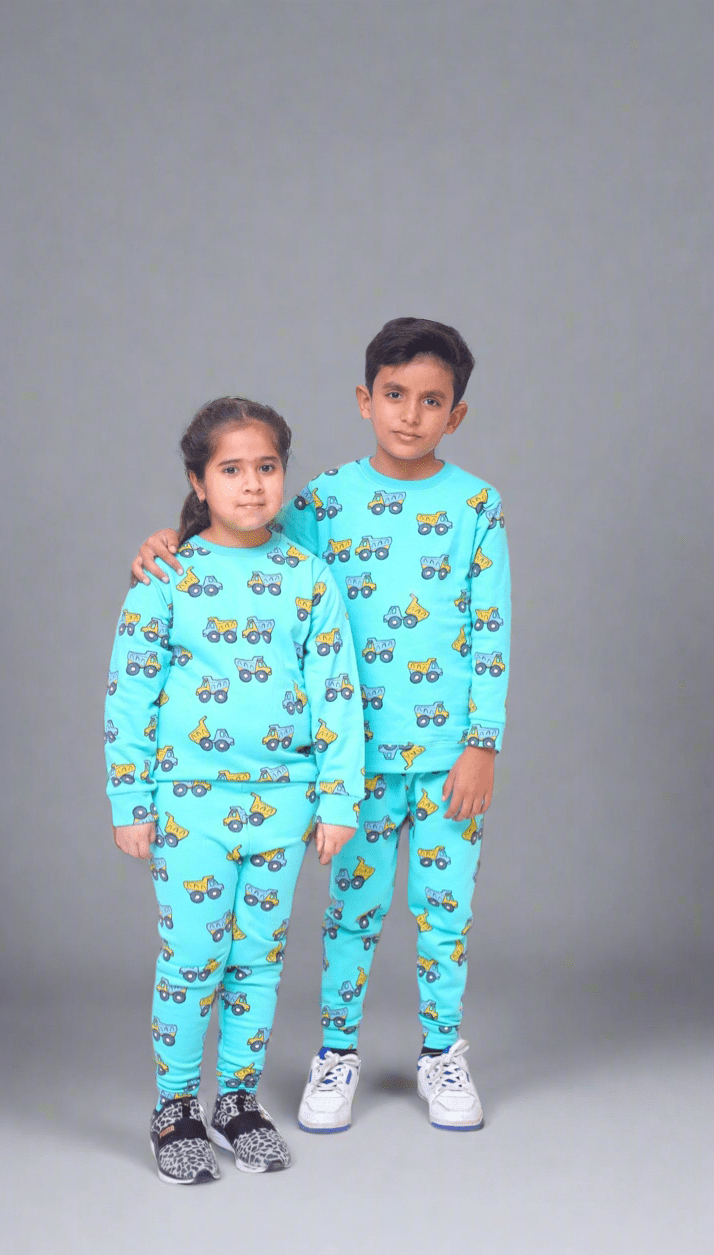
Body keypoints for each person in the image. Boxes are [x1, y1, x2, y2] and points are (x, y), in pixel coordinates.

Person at [132, 319, 511, 1134]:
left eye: (432, 401)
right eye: (395, 394)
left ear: (456, 415)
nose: (410, 414)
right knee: (352, 916)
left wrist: (483, 743)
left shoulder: (477, 506)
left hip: (449, 759)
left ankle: (442, 1050)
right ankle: (336, 1052)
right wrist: (171, 537)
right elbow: (245, 543)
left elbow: (492, 630)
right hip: (353, 763)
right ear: (365, 400)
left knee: (445, 915)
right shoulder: (325, 503)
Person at [107, 396, 363, 1183]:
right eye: (232, 469)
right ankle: (175, 1108)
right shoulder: (167, 575)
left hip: (285, 804)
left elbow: (337, 692)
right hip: (191, 805)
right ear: (199, 481)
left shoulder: (308, 576)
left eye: (267, 467)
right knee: (193, 957)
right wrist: (130, 801)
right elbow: (129, 694)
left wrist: (338, 800)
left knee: (257, 959)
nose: (253, 484)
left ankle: (238, 1101)